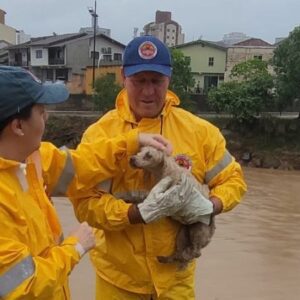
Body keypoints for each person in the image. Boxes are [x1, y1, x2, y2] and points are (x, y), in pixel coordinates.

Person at [70, 36, 247, 299]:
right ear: (123, 77)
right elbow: (84, 204)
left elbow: (233, 180)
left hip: (176, 281)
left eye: (156, 81)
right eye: (139, 81)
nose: (148, 91)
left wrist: (211, 205)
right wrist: (134, 213)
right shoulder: (100, 135)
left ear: (169, 79)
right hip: (118, 281)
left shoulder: (200, 132)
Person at [0, 65, 173, 300]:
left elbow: (82, 165)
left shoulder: (30, 159)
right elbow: (23, 285)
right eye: (41, 112)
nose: (47, 118)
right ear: (18, 126)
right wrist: (75, 247)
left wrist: (132, 141)